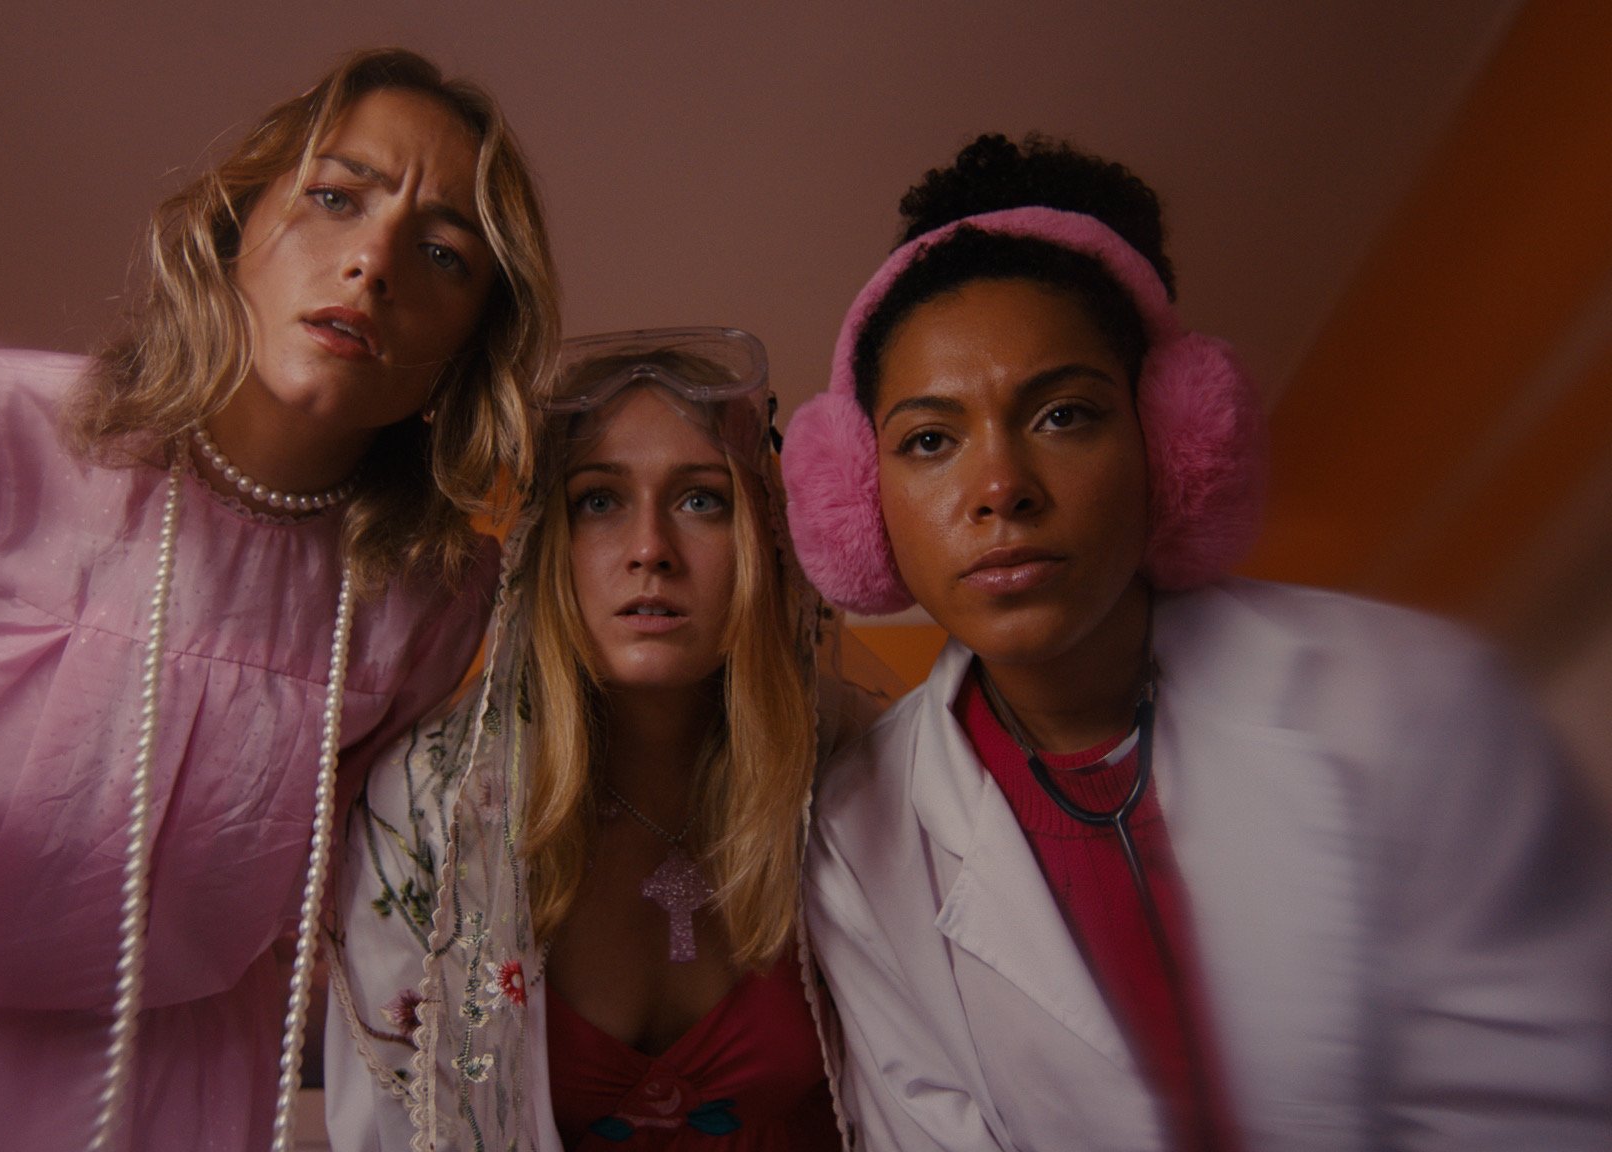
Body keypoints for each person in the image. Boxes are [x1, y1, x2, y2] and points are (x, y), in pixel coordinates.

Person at [0, 47, 557, 1152]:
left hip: (168, 1102)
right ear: (236, 227)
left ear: (469, 345)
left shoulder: (426, 604)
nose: (373, 261)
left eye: (443, 254)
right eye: (335, 199)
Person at [781, 134, 1612, 1151]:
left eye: (1062, 414)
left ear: (1172, 446)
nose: (999, 488)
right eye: (929, 440)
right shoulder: (850, 839)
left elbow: (1540, 1109)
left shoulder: (1415, 703)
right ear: (859, 503)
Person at [324, 329, 881, 1150]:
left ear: (764, 538)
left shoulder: (858, 770)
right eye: (600, 501)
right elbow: (393, 1132)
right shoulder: (429, 809)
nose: (650, 550)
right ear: (549, 544)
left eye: (701, 500)